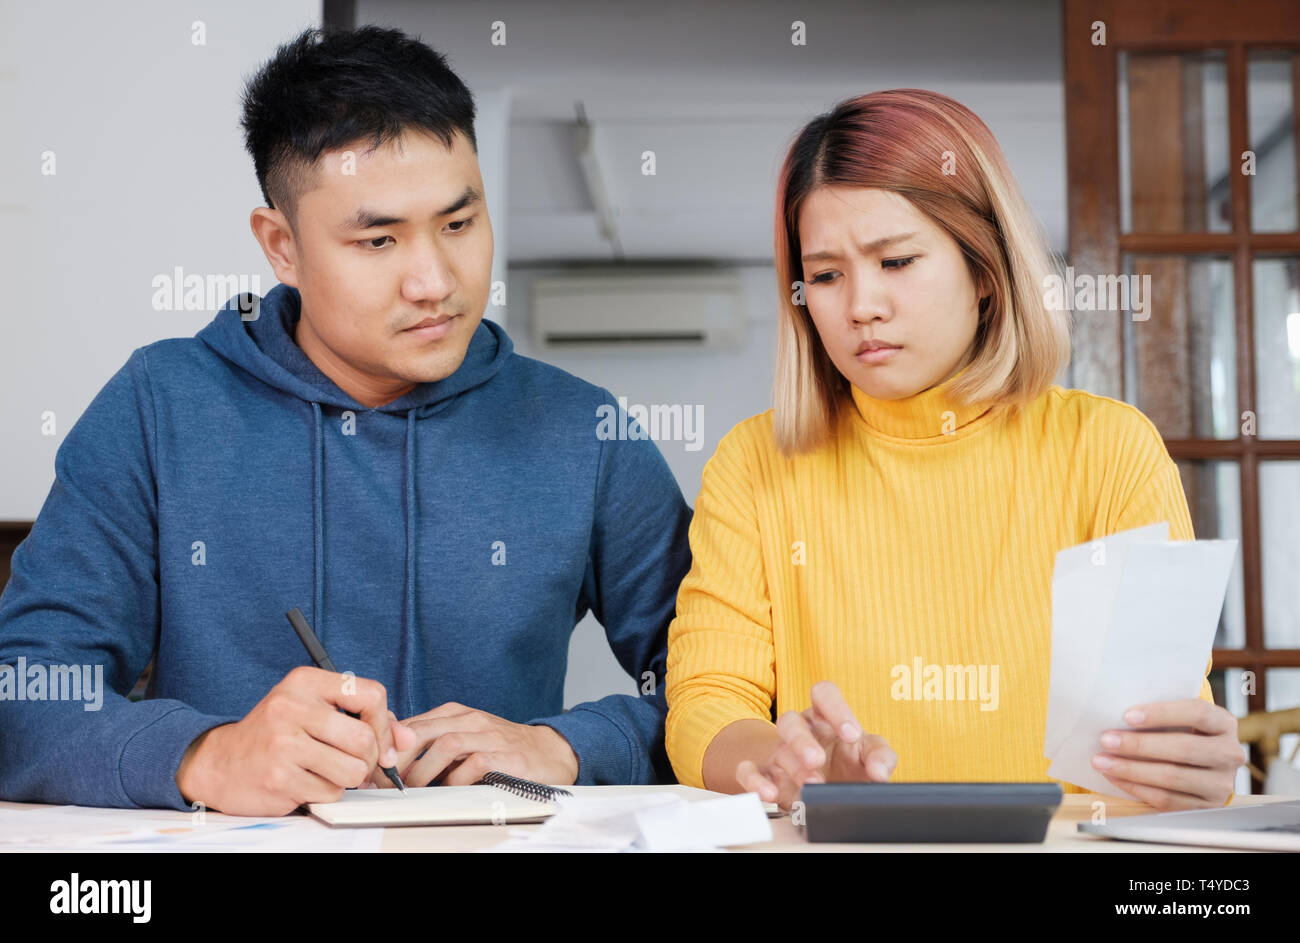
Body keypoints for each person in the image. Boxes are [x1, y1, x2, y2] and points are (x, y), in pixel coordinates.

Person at [0, 26, 691, 815]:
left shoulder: (584, 430)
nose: (434, 281)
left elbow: (727, 695)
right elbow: (23, 691)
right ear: (281, 247)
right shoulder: (157, 406)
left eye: (459, 224)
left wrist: (566, 745)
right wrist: (204, 754)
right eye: (378, 239)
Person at [665, 89, 1242, 813]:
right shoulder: (754, 462)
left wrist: (1192, 767)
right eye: (826, 274)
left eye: (897, 261)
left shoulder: (1110, 449)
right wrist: (785, 763)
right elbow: (705, 703)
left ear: (985, 271)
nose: (860, 305)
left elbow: (1161, 730)